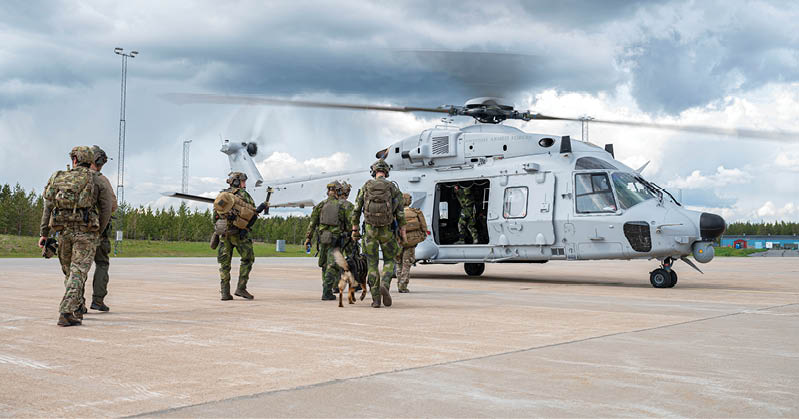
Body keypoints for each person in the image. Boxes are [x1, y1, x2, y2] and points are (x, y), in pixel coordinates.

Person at [38, 146, 113, 327]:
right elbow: (106, 208)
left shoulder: (59, 178)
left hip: (62, 231)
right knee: (78, 272)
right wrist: (98, 232)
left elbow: (48, 206)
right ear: (91, 161)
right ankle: (66, 311)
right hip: (85, 233)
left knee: (69, 273)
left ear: (74, 160)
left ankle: (77, 308)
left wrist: (43, 233)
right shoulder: (98, 180)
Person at [350, 159, 406, 308]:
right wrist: (403, 230)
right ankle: (385, 285)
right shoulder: (392, 188)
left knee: (372, 263)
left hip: (370, 231)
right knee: (389, 260)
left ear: (373, 171)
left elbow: (356, 209)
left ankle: (375, 299)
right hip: (387, 230)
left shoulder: (366, 186)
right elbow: (400, 211)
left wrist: (354, 229)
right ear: (386, 172)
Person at [214, 172, 256, 300]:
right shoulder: (243, 195)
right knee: (248, 259)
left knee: (224, 264)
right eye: (243, 181)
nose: (244, 184)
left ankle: (225, 292)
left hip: (224, 234)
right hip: (240, 235)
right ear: (237, 182)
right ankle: (241, 288)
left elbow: (214, 216)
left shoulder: (221, 196)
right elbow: (253, 213)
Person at [304, 182, 349, 300]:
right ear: (338, 191)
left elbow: (312, 224)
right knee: (332, 265)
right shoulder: (342, 206)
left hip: (323, 238)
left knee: (324, 264)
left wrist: (308, 238)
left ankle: (326, 288)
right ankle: (327, 292)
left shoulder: (320, 205)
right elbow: (348, 225)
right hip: (336, 239)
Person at [87, 145, 117, 312]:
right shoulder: (102, 180)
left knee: (77, 266)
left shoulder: (72, 178)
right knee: (102, 263)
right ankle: (97, 300)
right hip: (97, 231)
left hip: (74, 231)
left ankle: (75, 303)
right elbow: (112, 206)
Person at [397, 193, 427, 293]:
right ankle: (403, 286)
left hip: (398, 241)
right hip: (411, 242)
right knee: (406, 264)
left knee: (398, 263)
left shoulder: (396, 213)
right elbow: (424, 228)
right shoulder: (415, 212)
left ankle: (399, 284)